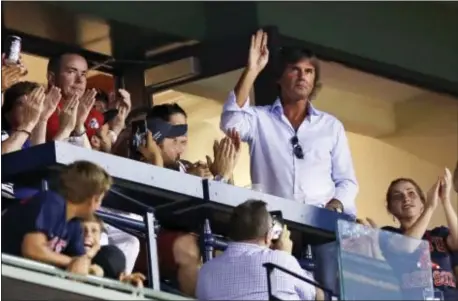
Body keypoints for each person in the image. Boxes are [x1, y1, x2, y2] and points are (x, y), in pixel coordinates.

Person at [220, 30, 358, 215]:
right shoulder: (261, 119)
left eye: (308, 71)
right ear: (280, 77)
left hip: (323, 225)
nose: (302, 76)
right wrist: (252, 70)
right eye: (295, 69)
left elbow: (347, 181)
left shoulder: (331, 126)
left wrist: (334, 206)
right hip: (274, 225)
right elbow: (231, 122)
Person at [196, 199, 323, 300]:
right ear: (269, 236)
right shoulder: (282, 261)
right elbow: (317, 296)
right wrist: (284, 255)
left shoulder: (206, 271)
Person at [1, 161, 112, 275]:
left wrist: (91, 268)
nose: (99, 206)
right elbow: (32, 249)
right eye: (100, 200)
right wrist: (72, 262)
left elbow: (80, 261)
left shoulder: (74, 223)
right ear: (93, 199)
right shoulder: (51, 202)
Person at [370, 170, 458, 300]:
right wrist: (430, 208)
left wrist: (445, 200)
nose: (406, 198)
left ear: (421, 202)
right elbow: (407, 246)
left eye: (411, 193)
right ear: (391, 209)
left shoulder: (440, 233)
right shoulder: (388, 234)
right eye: (397, 196)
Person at [81, 215, 146, 287]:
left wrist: (126, 284)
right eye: (82, 230)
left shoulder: (111, 260)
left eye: (94, 231)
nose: (88, 234)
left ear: (100, 236)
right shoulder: (67, 256)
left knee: (133, 241)